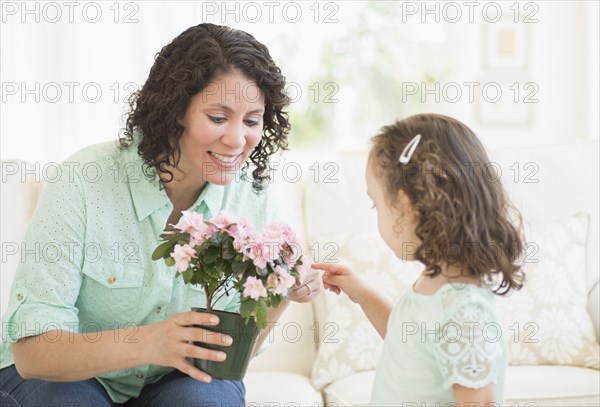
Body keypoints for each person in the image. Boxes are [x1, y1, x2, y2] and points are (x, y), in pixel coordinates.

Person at [0, 23, 322, 406]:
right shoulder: (83, 181)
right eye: (218, 118)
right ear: (174, 110)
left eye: (251, 121)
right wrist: (149, 342)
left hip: (175, 382)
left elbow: (227, 358)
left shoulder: (252, 200)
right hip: (62, 379)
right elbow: (34, 354)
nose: (237, 140)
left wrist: (281, 292)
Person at [313, 113, 524, 406]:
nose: (376, 213)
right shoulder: (436, 285)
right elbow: (408, 342)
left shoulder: (463, 311)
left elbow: (480, 402)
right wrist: (361, 294)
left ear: (405, 207)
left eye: (376, 204)